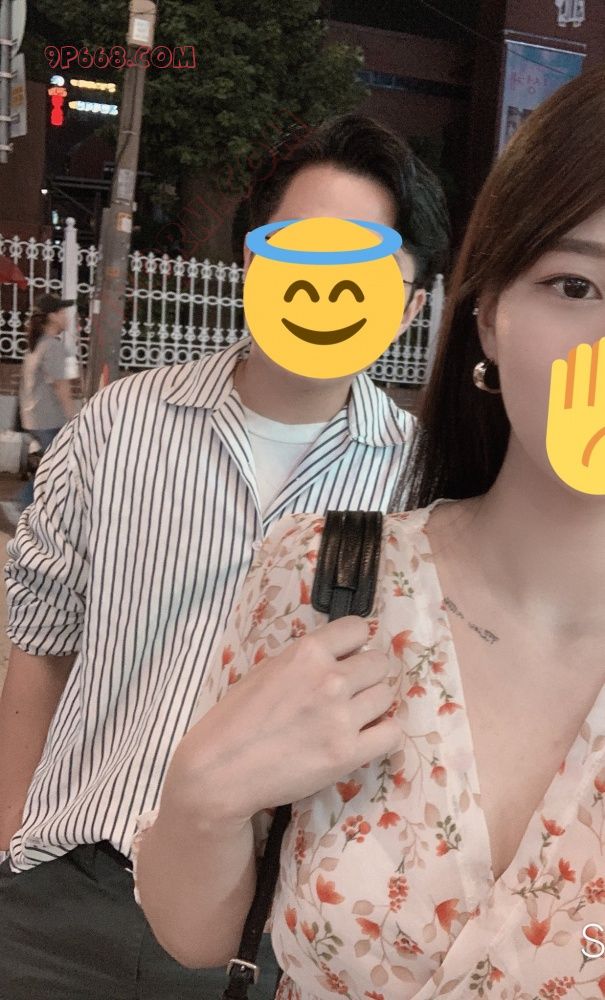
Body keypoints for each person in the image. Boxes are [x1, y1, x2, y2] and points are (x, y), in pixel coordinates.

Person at [134, 67, 605, 999]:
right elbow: (197, 937)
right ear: (487, 317)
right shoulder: (323, 576)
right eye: (575, 284)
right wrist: (199, 798)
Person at [0, 113, 450, 1000]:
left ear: (408, 304)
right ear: (252, 265)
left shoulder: (427, 487)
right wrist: (12, 836)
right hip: (61, 904)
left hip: (269, 940)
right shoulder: (119, 427)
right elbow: (40, 645)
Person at [14, 295, 77, 511]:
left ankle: (31, 505)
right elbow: (61, 386)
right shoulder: (52, 346)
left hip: (34, 417)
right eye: (62, 312)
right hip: (50, 420)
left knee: (50, 465)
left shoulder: (37, 345)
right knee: (55, 466)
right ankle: (25, 503)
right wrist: (73, 419)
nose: (67, 316)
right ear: (52, 316)